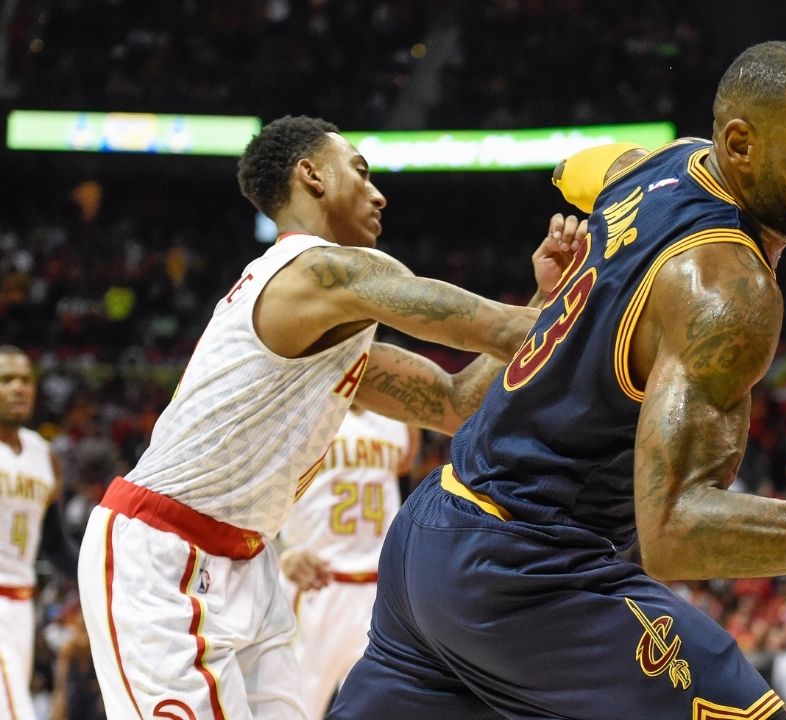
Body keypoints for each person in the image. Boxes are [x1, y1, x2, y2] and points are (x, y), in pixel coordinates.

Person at [332, 41, 786, 720]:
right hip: (525, 570)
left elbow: (586, 168)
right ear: (740, 144)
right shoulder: (728, 290)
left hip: (431, 536)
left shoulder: (661, 163)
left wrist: (580, 203)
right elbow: (673, 532)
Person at [75, 115, 579, 719]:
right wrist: (618, 274)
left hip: (248, 561)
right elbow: (498, 330)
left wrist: (549, 299)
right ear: (311, 175)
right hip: (161, 552)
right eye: (361, 172)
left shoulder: (328, 326)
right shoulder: (315, 271)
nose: (378, 192)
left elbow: (452, 403)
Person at [276, 404, 420, 719]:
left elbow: (406, 462)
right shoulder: (304, 409)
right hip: (317, 583)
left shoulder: (395, 419)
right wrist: (280, 552)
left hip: (378, 590)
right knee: (293, 710)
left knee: (378, 710)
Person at [0, 346, 77, 720]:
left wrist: (101, 579)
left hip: (21, 604)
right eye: (7, 380)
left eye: (26, 380)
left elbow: (56, 545)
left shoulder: (43, 454)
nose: (19, 388)